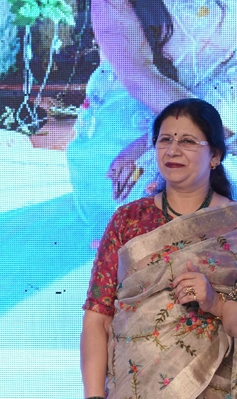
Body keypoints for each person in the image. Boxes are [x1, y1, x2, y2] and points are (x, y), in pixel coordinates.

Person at [66, 0, 237, 230]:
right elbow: (138, 71)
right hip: (137, 108)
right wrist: (165, 138)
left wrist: (213, 132)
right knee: (152, 220)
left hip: (226, 104)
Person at [80, 98, 237, 398]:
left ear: (215, 155)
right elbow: (97, 318)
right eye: (165, 140)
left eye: (187, 141)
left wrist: (216, 303)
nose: (173, 150)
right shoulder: (128, 220)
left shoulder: (233, 226)